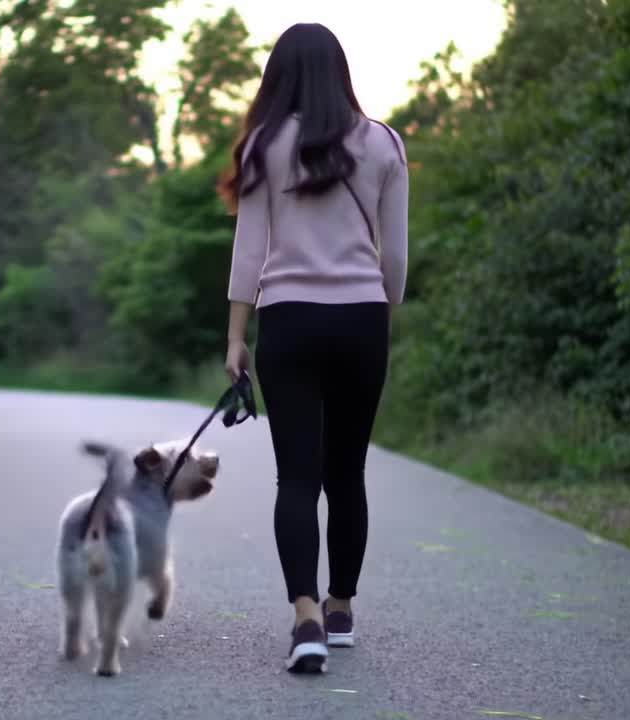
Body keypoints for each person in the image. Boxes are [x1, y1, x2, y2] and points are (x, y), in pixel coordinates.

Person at [218, 22, 408, 674]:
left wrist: (237, 337)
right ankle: (341, 608)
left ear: (280, 76)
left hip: (288, 320)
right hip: (362, 319)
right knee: (346, 472)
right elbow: (398, 257)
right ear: (340, 72)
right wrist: (382, 311)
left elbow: (249, 251)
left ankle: (304, 622)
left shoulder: (265, 146)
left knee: (296, 477)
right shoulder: (384, 142)